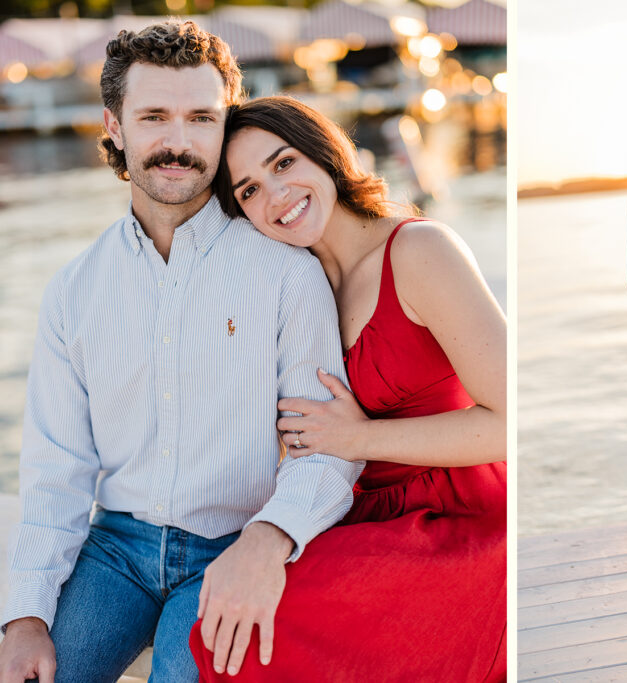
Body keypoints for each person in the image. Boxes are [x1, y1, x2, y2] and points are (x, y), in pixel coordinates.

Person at [0, 22, 363, 682]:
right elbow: (56, 470)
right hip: (114, 549)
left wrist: (269, 537)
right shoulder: (74, 290)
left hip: (234, 542)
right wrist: (24, 617)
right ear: (114, 125)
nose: (179, 142)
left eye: (202, 117)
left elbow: (330, 445)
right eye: (154, 117)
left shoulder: (287, 272)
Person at [188, 97, 507, 681]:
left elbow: (511, 424)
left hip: (456, 518)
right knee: (224, 621)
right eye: (250, 191)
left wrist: (362, 436)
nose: (276, 195)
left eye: (283, 164)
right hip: (352, 511)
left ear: (323, 152)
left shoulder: (418, 251)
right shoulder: (293, 285)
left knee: (247, 640)